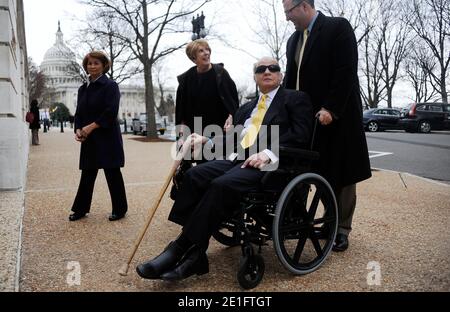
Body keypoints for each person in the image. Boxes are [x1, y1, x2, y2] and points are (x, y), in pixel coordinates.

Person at [136, 57, 313, 281]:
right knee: (194, 175)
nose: (267, 71)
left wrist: (269, 154)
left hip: (272, 165)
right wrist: (206, 141)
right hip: (236, 159)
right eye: (261, 69)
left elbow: (301, 135)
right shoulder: (246, 107)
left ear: (281, 75)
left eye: (273, 68)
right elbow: (231, 140)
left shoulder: (295, 99)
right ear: (255, 76)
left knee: (221, 184)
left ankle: (180, 249)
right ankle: (195, 250)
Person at [282, 0, 371, 251]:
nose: (287, 17)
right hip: (306, 119)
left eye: (289, 11)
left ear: (304, 6)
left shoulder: (337, 27)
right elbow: (291, 79)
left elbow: (346, 71)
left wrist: (331, 108)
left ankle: (341, 228)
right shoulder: (293, 41)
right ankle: (312, 220)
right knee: (305, 169)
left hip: (337, 116)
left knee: (341, 174)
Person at [69, 51, 128, 222]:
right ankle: (80, 209)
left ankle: (120, 208)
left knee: (112, 173)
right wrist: (78, 129)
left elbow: (110, 111)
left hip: (107, 135)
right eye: (89, 63)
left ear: (103, 65)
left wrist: (91, 126)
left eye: (96, 63)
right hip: (89, 138)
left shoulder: (110, 86)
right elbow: (79, 112)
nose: (92, 66)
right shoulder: (83, 89)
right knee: (87, 174)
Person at [175, 39, 239, 140]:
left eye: (207, 50)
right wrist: (181, 134)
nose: (206, 53)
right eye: (201, 51)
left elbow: (233, 101)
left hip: (218, 133)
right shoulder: (185, 80)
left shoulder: (221, 74)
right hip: (194, 133)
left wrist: (231, 117)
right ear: (193, 58)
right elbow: (181, 111)